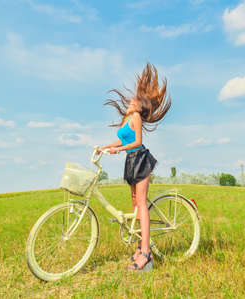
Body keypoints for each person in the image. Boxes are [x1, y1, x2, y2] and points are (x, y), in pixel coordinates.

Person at [97, 62, 172, 272]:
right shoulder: (126, 119)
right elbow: (121, 141)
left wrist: (118, 151)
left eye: (136, 100)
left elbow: (137, 142)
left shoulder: (136, 117)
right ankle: (140, 246)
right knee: (135, 203)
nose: (132, 100)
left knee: (141, 203)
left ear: (140, 106)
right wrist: (104, 147)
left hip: (140, 159)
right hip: (131, 160)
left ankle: (146, 253)